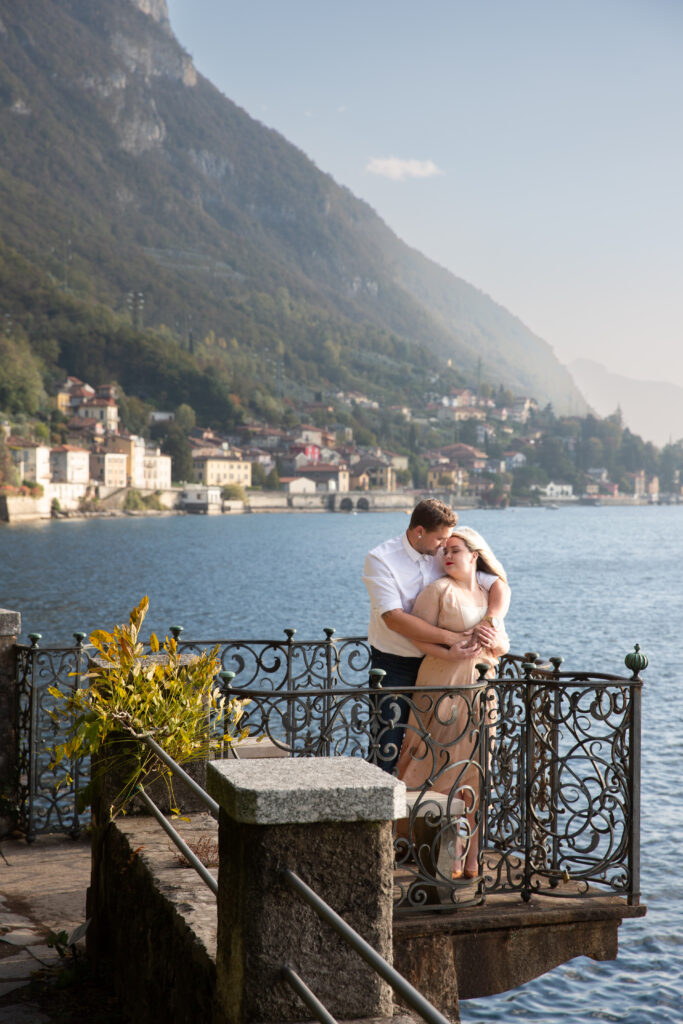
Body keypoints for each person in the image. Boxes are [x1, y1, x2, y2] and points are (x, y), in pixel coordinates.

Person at [394, 526, 509, 878]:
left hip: (480, 692)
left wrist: (491, 636)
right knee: (443, 768)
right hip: (442, 688)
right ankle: (451, 853)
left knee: (476, 772)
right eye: (444, 550)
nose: (447, 555)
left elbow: (503, 646)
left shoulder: (488, 597)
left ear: (474, 555)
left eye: (455, 550)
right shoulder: (437, 591)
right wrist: (452, 646)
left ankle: (473, 856)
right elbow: (415, 638)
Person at [362, 499, 509, 772]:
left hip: (442, 669)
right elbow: (394, 618)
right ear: (419, 532)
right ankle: (381, 812)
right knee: (388, 745)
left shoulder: (443, 554)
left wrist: (491, 622)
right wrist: (452, 640)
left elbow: (497, 584)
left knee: (436, 747)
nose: (444, 546)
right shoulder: (380, 559)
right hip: (395, 663)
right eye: (440, 538)